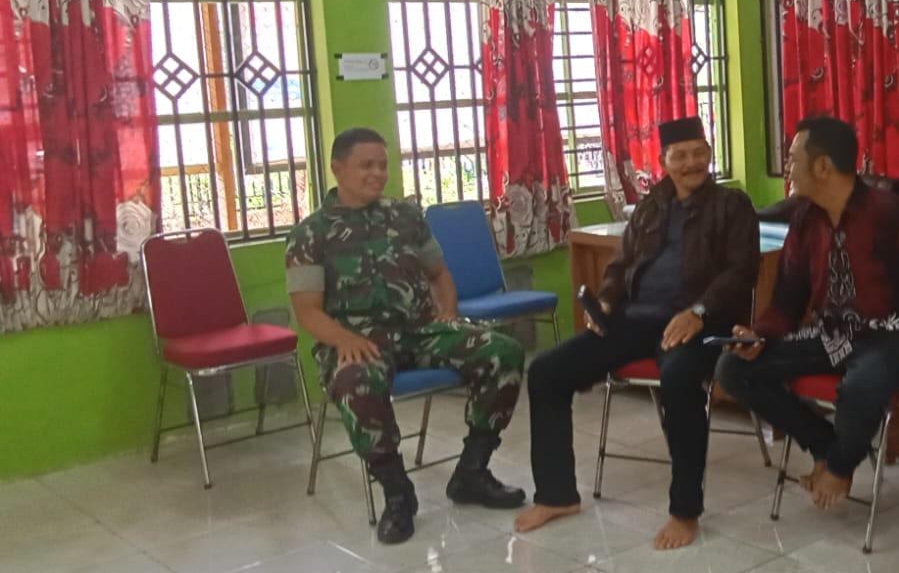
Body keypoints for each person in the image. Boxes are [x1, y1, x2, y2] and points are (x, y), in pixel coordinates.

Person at [514, 117, 759, 550]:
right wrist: (607, 301)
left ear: (709, 154)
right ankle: (556, 495)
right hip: (636, 319)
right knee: (547, 372)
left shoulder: (731, 205)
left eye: (698, 153)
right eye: (680, 156)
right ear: (664, 161)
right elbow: (620, 266)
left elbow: (741, 273)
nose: (691, 163)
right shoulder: (651, 205)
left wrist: (698, 311)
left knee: (680, 378)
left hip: (700, 323)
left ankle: (685, 511)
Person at [716, 115, 899, 510]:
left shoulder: (896, 216)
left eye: (793, 159)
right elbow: (787, 302)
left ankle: (838, 467)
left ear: (823, 166)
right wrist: (759, 334)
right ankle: (825, 447)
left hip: (895, 337)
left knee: (862, 385)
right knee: (732, 368)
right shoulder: (804, 220)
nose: (788, 169)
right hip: (831, 335)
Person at [285, 127, 526, 544]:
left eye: (383, 165)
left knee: (502, 351)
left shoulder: (406, 216)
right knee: (355, 381)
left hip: (420, 330)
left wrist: (448, 312)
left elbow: (439, 273)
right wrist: (343, 339)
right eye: (366, 165)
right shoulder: (311, 234)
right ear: (337, 168)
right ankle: (397, 494)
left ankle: (472, 471)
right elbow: (307, 310)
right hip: (358, 339)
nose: (378, 174)